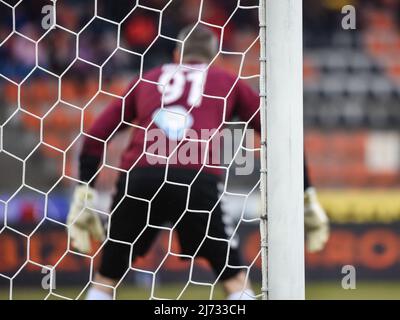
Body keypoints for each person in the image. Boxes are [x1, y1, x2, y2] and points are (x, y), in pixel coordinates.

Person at [66, 24, 329, 300]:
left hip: (140, 178)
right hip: (195, 181)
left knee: (106, 277)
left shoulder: (147, 78)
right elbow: (280, 135)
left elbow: (96, 134)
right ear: (213, 58)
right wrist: (307, 193)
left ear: (177, 53)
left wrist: (84, 191)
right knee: (234, 278)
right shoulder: (226, 81)